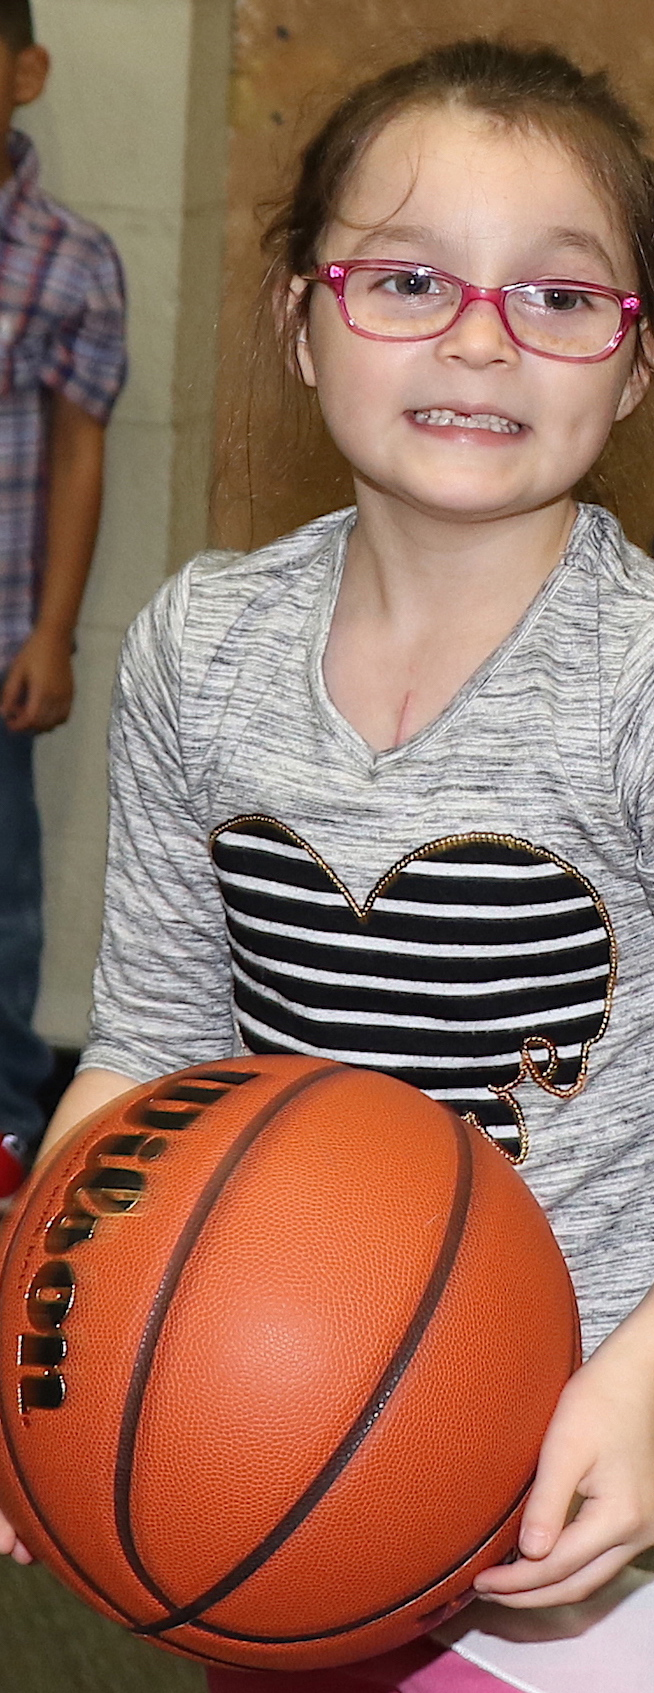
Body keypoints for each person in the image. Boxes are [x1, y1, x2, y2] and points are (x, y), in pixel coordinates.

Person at [3, 37, 654, 1693]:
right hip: (279, 1453)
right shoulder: (200, 650)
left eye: (558, 297)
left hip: (620, 1510)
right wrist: (37, 1339)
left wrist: (638, 1382)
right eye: (406, 276)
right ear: (299, 317)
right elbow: (144, 1048)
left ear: (630, 367)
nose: (481, 335)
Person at [0, 0, 126, 1197]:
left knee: (1, 913)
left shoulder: (68, 257)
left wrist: (52, 633)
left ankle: (4, 1145)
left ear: (25, 72)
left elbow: (80, 453)